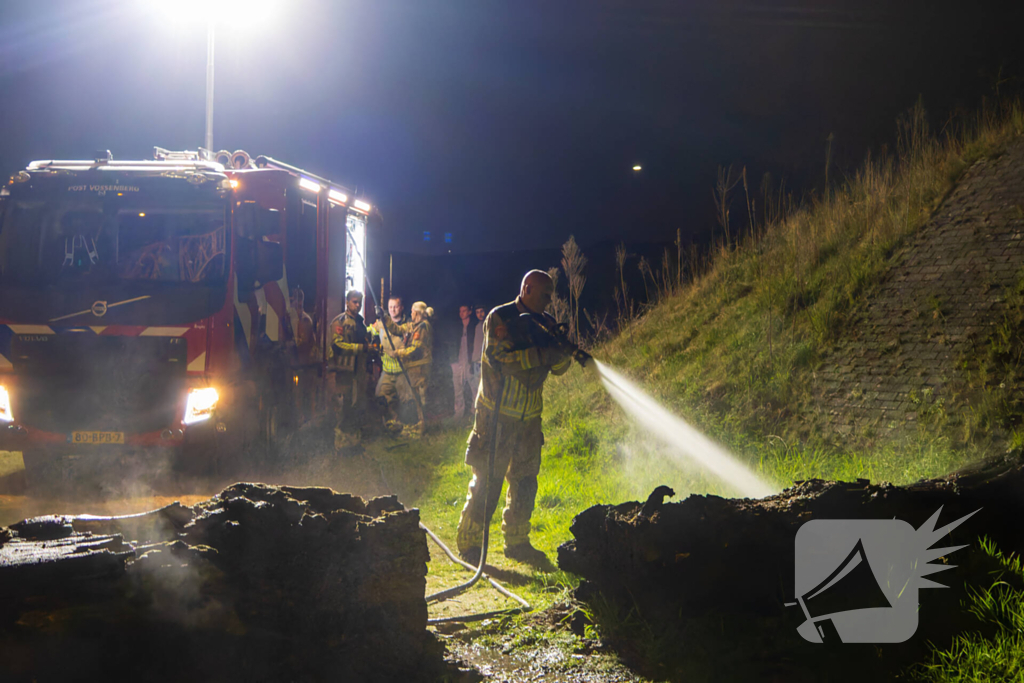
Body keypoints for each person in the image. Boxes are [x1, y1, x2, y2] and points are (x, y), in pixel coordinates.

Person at [456, 270, 573, 569]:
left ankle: (517, 542)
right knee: (488, 480)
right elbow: (502, 360)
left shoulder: (545, 322)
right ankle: (469, 543)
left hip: (529, 418)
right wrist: (542, 354)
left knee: (525, 481)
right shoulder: (500, 318)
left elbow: (559, 368)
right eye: (545, 294)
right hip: (496, 414)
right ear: (527, 288)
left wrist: (561, 354)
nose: (549, 300)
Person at [377, 301, 434, 438]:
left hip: (420, 369)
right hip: (414, 369)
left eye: (413, 311)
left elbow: (415, 349)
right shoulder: (413, 326)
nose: (411, 314)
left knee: (420, 397)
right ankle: (420, 424)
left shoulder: (422, 327)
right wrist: (385, 318)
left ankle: (422, 425)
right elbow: (397, 329)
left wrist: (398, 353)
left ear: (418, 313)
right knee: (416, 397)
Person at [328, 290, 371, 448]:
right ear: (347, 302)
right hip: (343, 370)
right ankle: (339, 441)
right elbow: (337, 345)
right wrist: (361, 348)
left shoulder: (360, 322)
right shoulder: (340, 322)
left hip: (359, 371)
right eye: (354, 301)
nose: (358, 305)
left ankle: (353, 440)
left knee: (357, 403)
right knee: (343, 405)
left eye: (359, 302)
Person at [369, 294, 414, 431]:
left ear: (401, 308)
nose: (393, 310)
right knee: (381, 396)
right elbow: (370, 330)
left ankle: (409, 426)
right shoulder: (381, 323)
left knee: (407, 400)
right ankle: (392, 423)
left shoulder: (408, 325)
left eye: (395, 307)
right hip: (387, 371)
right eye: (390, 307)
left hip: (403, 371)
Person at [450, 304, 478, 419]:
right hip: (458, 360)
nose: (462, 313)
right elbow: (452, 343)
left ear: (469, 312)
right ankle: (459, 412)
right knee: (458, 387)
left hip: (470, 360)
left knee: (474, 386)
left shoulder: (474, 326)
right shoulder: (457, 326)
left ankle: (475, 412)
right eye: (460, 311)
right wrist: (452, 361)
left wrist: (473, 360)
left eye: (464, 311)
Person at [470, 304, 486, 391]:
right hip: (477, 363)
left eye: (481, 311)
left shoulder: (489, 325)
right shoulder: (477, 326)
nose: (480, 314)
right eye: (477, 312)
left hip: (485, 362)